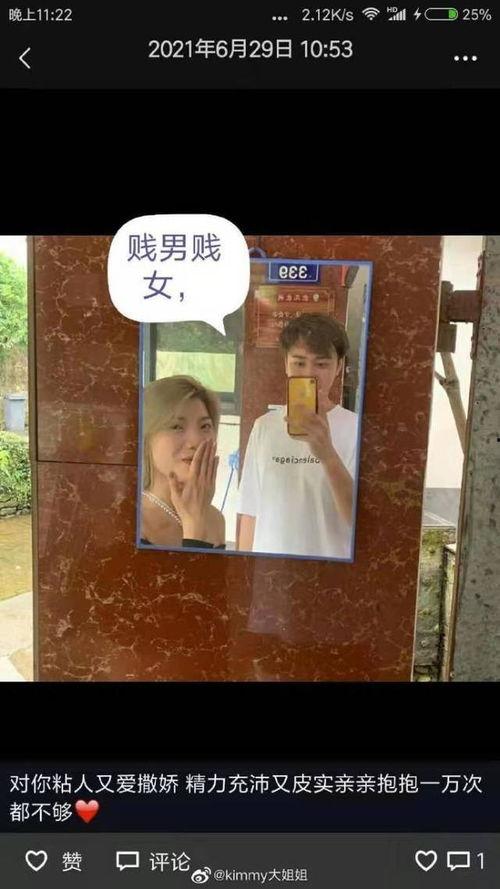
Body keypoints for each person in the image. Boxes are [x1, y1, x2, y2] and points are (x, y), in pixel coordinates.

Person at [237, 313, 358, 559]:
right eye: (299, 363)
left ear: (339, 366)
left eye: (321, 364)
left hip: (329, 573)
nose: (309, 374)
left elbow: (360, 520)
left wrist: (327, 455)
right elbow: (250, 511)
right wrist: (243, 571)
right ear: (286, 364)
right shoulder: (264, 427)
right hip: (269, 571)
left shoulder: (357, 429)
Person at [141, 375, 225, 549]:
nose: (196, 441)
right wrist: (194, 528)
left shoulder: (215, 520)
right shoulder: (131, 521)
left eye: (205, 426)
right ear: (146, 436)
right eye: (176, 427)